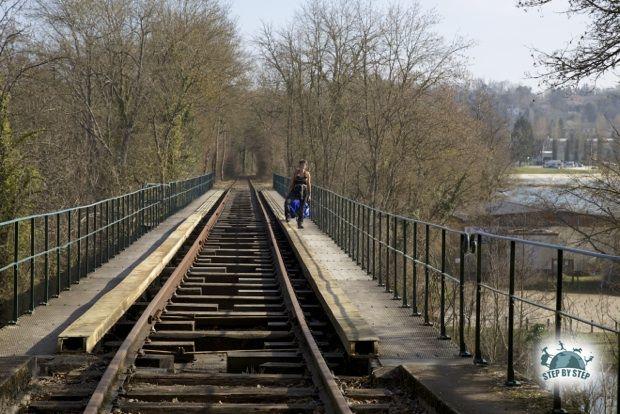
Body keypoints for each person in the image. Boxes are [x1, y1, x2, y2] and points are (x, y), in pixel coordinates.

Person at [285, 159, 311, 229]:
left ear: (305, 166)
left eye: (304, 165)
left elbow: (309, 184)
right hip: (295, 191)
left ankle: (300, 223)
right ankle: (288, 216)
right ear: (299, 165)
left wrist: (309, 194)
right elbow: (292, 183)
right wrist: (288, 192)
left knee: (301, 208)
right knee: (287, 201)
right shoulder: (296, 173)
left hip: (304, 192)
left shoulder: (307, 174)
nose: (302, 166)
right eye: (301, 165)